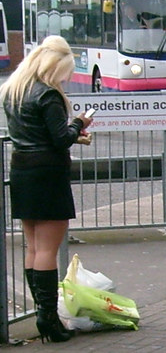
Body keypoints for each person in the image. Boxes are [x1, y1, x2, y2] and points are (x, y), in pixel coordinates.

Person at [0, 36, 94, 343]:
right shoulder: (47, 95)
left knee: (33, 246)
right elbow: (58, 139)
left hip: (22, 169)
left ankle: (43, 313)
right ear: (53, 67)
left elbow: (33, 133)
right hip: (48, 174)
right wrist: (79, 123)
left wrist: (69, 133)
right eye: (64, 73)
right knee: (48, 250)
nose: (65, 79)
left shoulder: (14, 91)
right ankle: (49, 320)